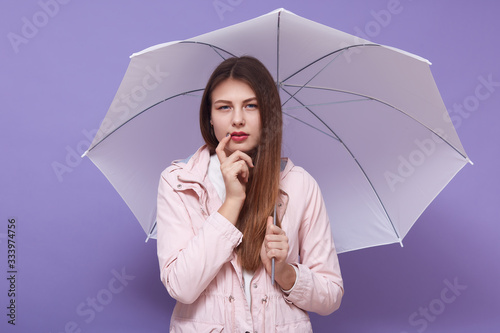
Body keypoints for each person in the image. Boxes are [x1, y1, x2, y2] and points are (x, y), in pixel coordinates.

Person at [156, 56, 343, 332]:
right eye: (224, 107)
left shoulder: (300, 184)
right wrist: (232, 201)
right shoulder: (180, 182)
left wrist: (285, 272)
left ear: (268, 113)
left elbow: (331, 295)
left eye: (251, 106)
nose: (238, 119)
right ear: (209, 117)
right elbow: (181, 287)